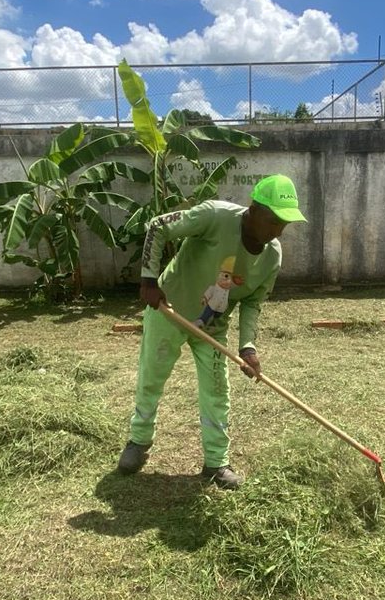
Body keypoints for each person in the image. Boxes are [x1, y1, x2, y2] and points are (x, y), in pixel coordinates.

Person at [116, 174, 307, 489]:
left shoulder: (272, 256)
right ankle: (138, 442)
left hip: (213, 326)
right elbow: (158, 226)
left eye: (284, 223)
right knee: (151, 379)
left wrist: (247, 347)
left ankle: (217, 463)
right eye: (274, 221)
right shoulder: (215, 216)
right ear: (253, 210)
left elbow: (253, 302)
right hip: (169, 310)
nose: (278, 231)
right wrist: (149, 279)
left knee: (217, 392)